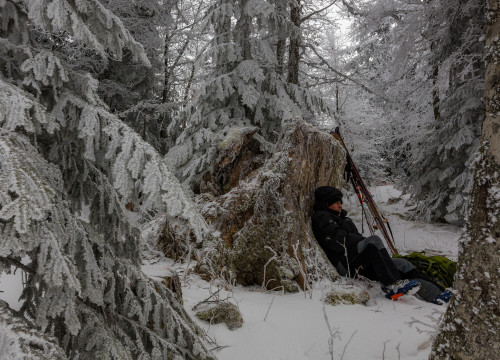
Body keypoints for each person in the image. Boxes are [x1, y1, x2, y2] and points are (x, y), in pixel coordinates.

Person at [312, 186, 451, 303]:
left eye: (340, 201)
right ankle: (391, 285)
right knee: (373, 240)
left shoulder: (343, 219)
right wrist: (362, 241)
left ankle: (439, 294)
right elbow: (336, 242)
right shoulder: (322, 216)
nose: (340, 205)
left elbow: (350, 239)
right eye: (336, 202)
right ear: (326, 203)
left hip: (358, 261)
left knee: (403, 264)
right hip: (345, 264)